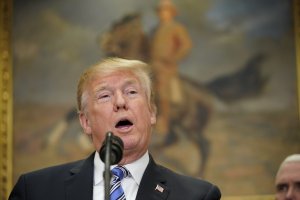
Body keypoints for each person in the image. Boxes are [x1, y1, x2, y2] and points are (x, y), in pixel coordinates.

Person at [9, 58, 221, 200]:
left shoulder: (198, 196)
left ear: (152, 113)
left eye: (131, 92)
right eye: (105, 95)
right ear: (85, 122)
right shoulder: (35, 191)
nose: (120, 102)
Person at [150, 0, 192, 136]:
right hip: (153, 64)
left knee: (162, 88)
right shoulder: (155, 29)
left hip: (167, 67)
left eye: (166, 11)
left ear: (172, 13)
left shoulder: (177, 28)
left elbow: (186, 45)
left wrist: (173, 58)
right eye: (161, 11)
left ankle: (164, 120)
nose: (163, 14)